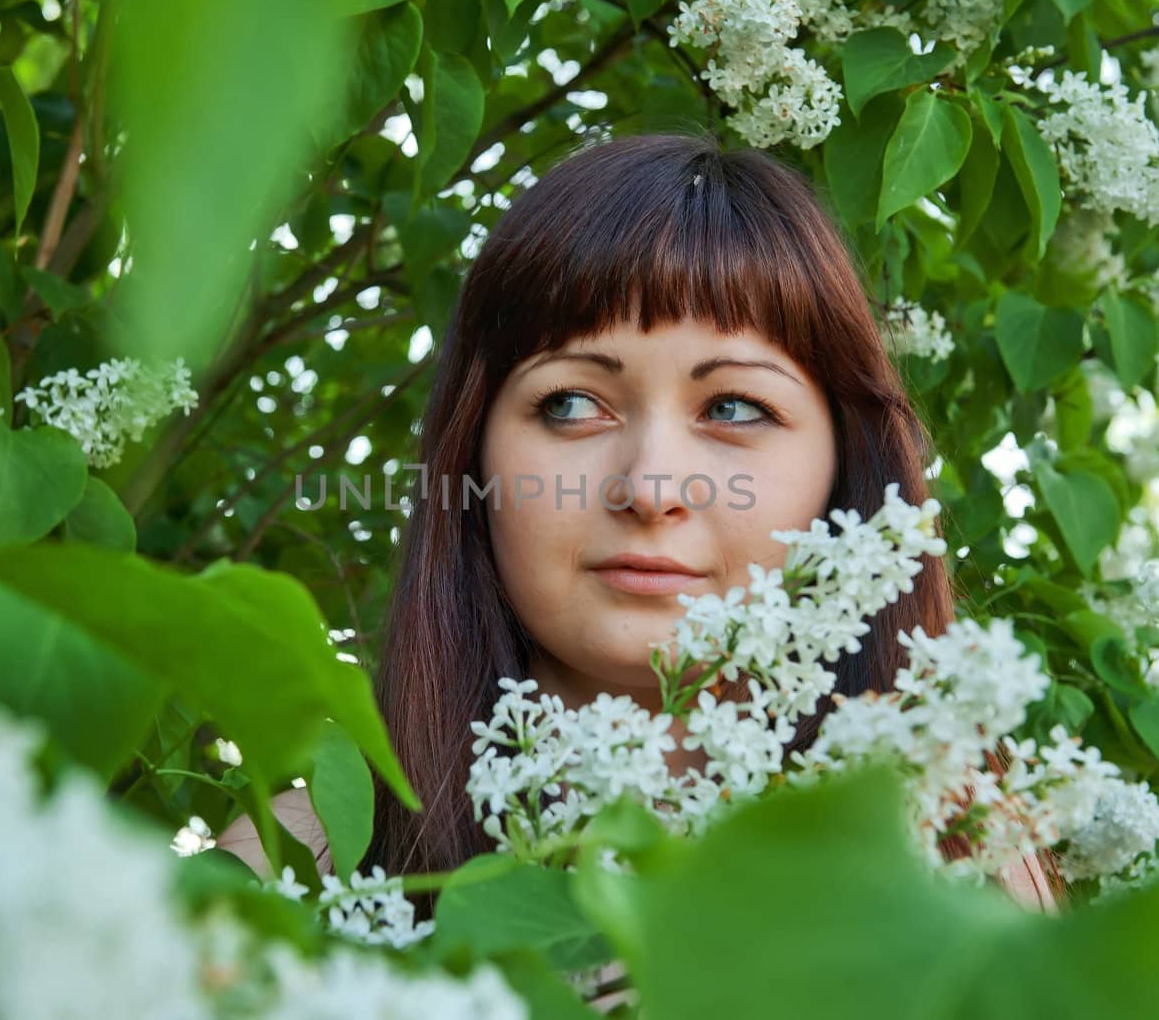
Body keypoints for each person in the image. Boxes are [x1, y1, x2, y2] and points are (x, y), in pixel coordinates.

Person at [219, 132, 1065, 938]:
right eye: (571, 404)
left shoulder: (964, 862)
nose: (652, 486)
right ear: (473, 456)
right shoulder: (300, 860)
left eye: (734, 407)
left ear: (844, 470)